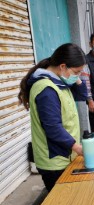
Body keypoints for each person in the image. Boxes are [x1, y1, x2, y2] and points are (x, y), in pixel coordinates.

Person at [18, 43, 87, 191]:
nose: (77, 75)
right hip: (54, 161)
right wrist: (77, 147)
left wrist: (77, 77)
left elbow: (82, 95)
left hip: (65, 155)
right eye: (77, 71)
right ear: (62, 67)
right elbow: (53, 127)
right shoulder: (46, 89)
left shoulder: (59, 83)